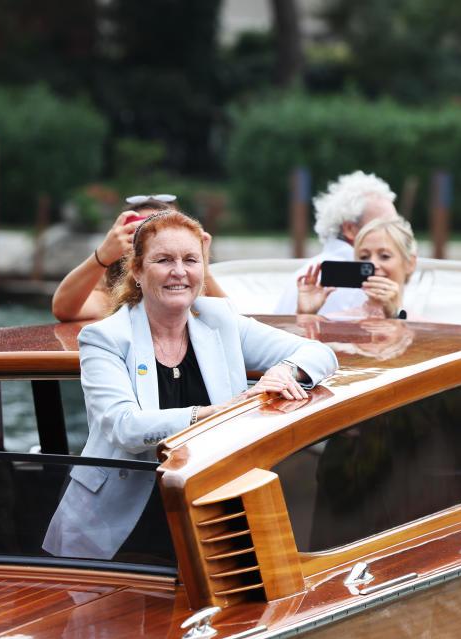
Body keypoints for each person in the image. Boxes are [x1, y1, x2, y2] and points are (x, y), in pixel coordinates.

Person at [43, 211, 337, 561]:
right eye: (164, 260)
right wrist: (214, 414)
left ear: (203, 269)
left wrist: (285, 372)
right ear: (136, 271)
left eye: (190, 260)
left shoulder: (221, 320)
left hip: (205, 515)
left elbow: (319, 352)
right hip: (112, 532)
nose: (179, 271)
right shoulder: (104, 337)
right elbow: (125, 428)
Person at [51, 194, 226, 322]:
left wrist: (200, 261)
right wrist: (103, 254)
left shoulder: (193, 295)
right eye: (141, 230)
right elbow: (63, 309)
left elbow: (228, 318)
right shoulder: (111, 299)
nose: (153, 239)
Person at [273, 171, 398, 315]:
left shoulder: (307, 272)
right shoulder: (364, 280)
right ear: (350, 229)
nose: (395, 232)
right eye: (384, 224)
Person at [296, 216, 418, 320]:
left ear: (410, 263)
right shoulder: (338, 322)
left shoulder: (427, 327)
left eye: (384, 256)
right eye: (364, 257)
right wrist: (305, 315)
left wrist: (394, 316)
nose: (373, 264)